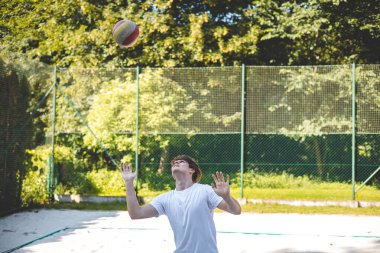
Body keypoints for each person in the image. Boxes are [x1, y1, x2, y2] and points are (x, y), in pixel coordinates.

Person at [120, 154, 241, 253]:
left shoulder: (205, 190)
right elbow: (136, 214)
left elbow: (236, 210)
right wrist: (128, 183)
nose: (176, 163)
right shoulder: (165, 199)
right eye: (174, 163)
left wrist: (227, 197)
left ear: (191, 170)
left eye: (181, 161)